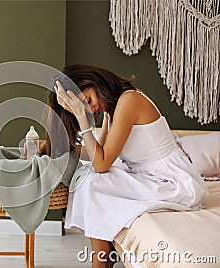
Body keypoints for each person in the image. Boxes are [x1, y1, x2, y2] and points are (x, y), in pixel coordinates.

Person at [41, 64, 208, 268]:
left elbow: (101, 164)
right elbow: (98, 155)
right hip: (149, 176)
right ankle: (103, 259)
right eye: (84, 108)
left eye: (88, 101)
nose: (90, 109)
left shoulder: (129, 100)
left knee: (93, 181)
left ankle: (100, 262)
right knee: (89, 177)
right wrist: (58, 146)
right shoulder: (115, 107)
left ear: (94, 82)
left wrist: (81, 117)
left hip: (173, 181)